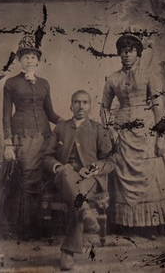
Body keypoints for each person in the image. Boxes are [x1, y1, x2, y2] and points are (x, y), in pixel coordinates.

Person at [100, 35, 165, 237]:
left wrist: (160, 137)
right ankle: (124, 224)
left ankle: (149, 225)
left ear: (138, 53)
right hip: (122, 131)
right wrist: (110, 129)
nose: (127, 54)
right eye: (123, 50)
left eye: (131, 50)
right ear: (119, 53)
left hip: (147, 129)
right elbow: (104, 108)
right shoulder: (113, 78)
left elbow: (158, 106)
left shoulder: (150, 76)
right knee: (122, 171)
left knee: (148, 172)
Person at [44, 90, 114, 271]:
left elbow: (110, 160)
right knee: (67, 172)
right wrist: (58, 167)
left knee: (78, 197)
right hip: (64, 178)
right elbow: (47, 156)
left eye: (85, 102)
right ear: (71, 105)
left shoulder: (98, 129)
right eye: (77, 102)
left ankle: (68, 250)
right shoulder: (61, 128)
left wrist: (92, 170)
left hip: (89, 180)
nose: (81, 106)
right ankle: (84, 211)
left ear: (90, 106)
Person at [0, 35, 62, 240]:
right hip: (23, 137)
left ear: (38, 60)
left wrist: (69, 123)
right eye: (24, 56)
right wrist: (8, 144)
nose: (28, 60)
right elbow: (5, 115)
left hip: (45, 136)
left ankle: (43, 224)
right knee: (28, 176)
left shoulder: (44, 83)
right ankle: (26, 227)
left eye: (32, 56)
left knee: (47, 175)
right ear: (19, 60)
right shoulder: (11, 83)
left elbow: (51, 114)